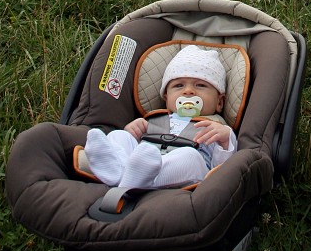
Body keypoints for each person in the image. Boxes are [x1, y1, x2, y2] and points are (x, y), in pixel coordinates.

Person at [83, 44, 236, 189]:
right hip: (145, 157)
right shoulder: (154, 120)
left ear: (219, 102)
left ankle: (139, 178)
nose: (188, 91)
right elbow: (137, 150)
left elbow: (223, 168)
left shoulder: (216, 128)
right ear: (166, 98)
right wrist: (133, 132)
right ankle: (116, 170)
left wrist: (226, 140)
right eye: (178, 85)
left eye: (200, 85)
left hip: (189, 170)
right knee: (119, 135)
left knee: (189, 156)